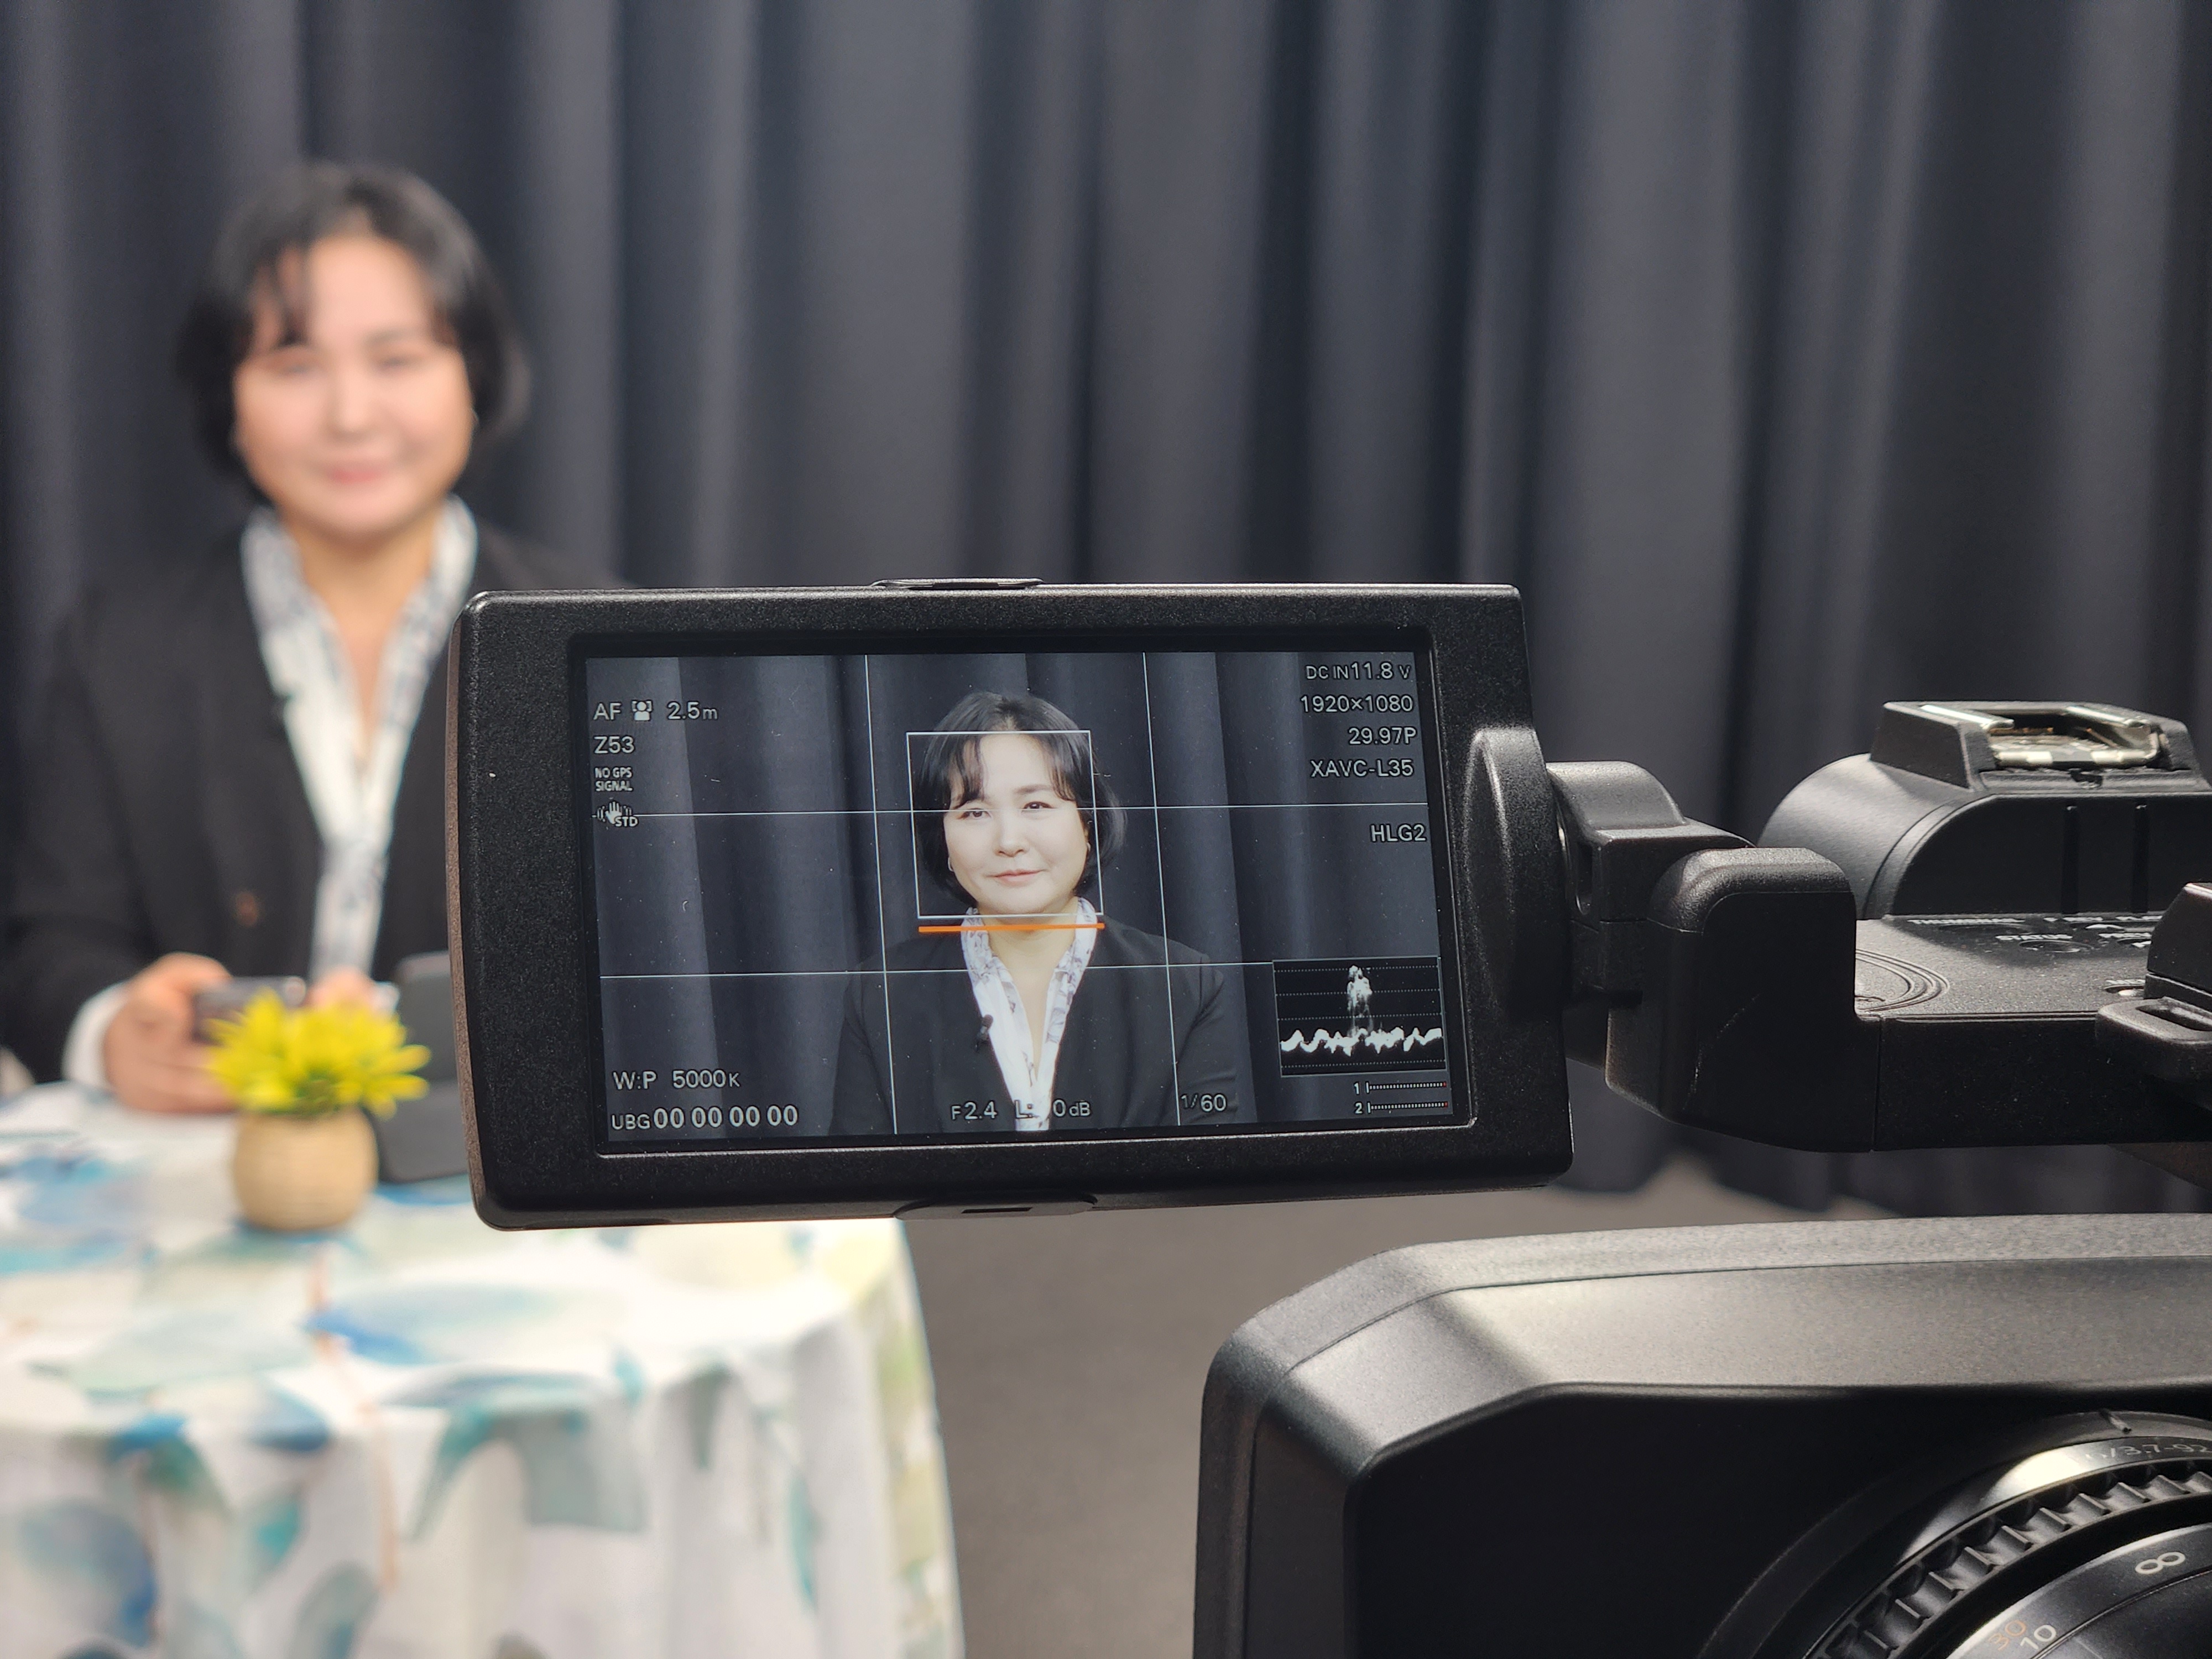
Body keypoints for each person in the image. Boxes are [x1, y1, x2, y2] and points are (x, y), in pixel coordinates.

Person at [0, 161, 599, 1112]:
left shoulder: (593, 641)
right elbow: (49, 945)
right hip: (208, 1165)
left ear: (474, 378)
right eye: (294, 366)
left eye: (397, 360)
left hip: (493, 1174)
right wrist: (113, 1028)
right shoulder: (117, 646)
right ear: (230, 402)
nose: (350, 416)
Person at [831, 690, 1245, 1134]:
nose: (1009, 841)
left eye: (1036, 806)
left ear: (1087, 824)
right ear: (942, 838)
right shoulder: (880, 996)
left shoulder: (1183, 985)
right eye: (975, 813)